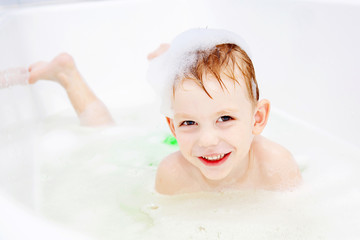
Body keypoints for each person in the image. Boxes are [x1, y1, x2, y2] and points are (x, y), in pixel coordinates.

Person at [26, 28, 301, 195]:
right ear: (172, 127)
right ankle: (68, 76)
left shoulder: (275, 165)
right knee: (108, 138)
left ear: (258, 118)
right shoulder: (172, 173)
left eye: (225, 118)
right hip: (149, 154)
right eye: (189, 123)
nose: (207, 140)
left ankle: (171, 61)